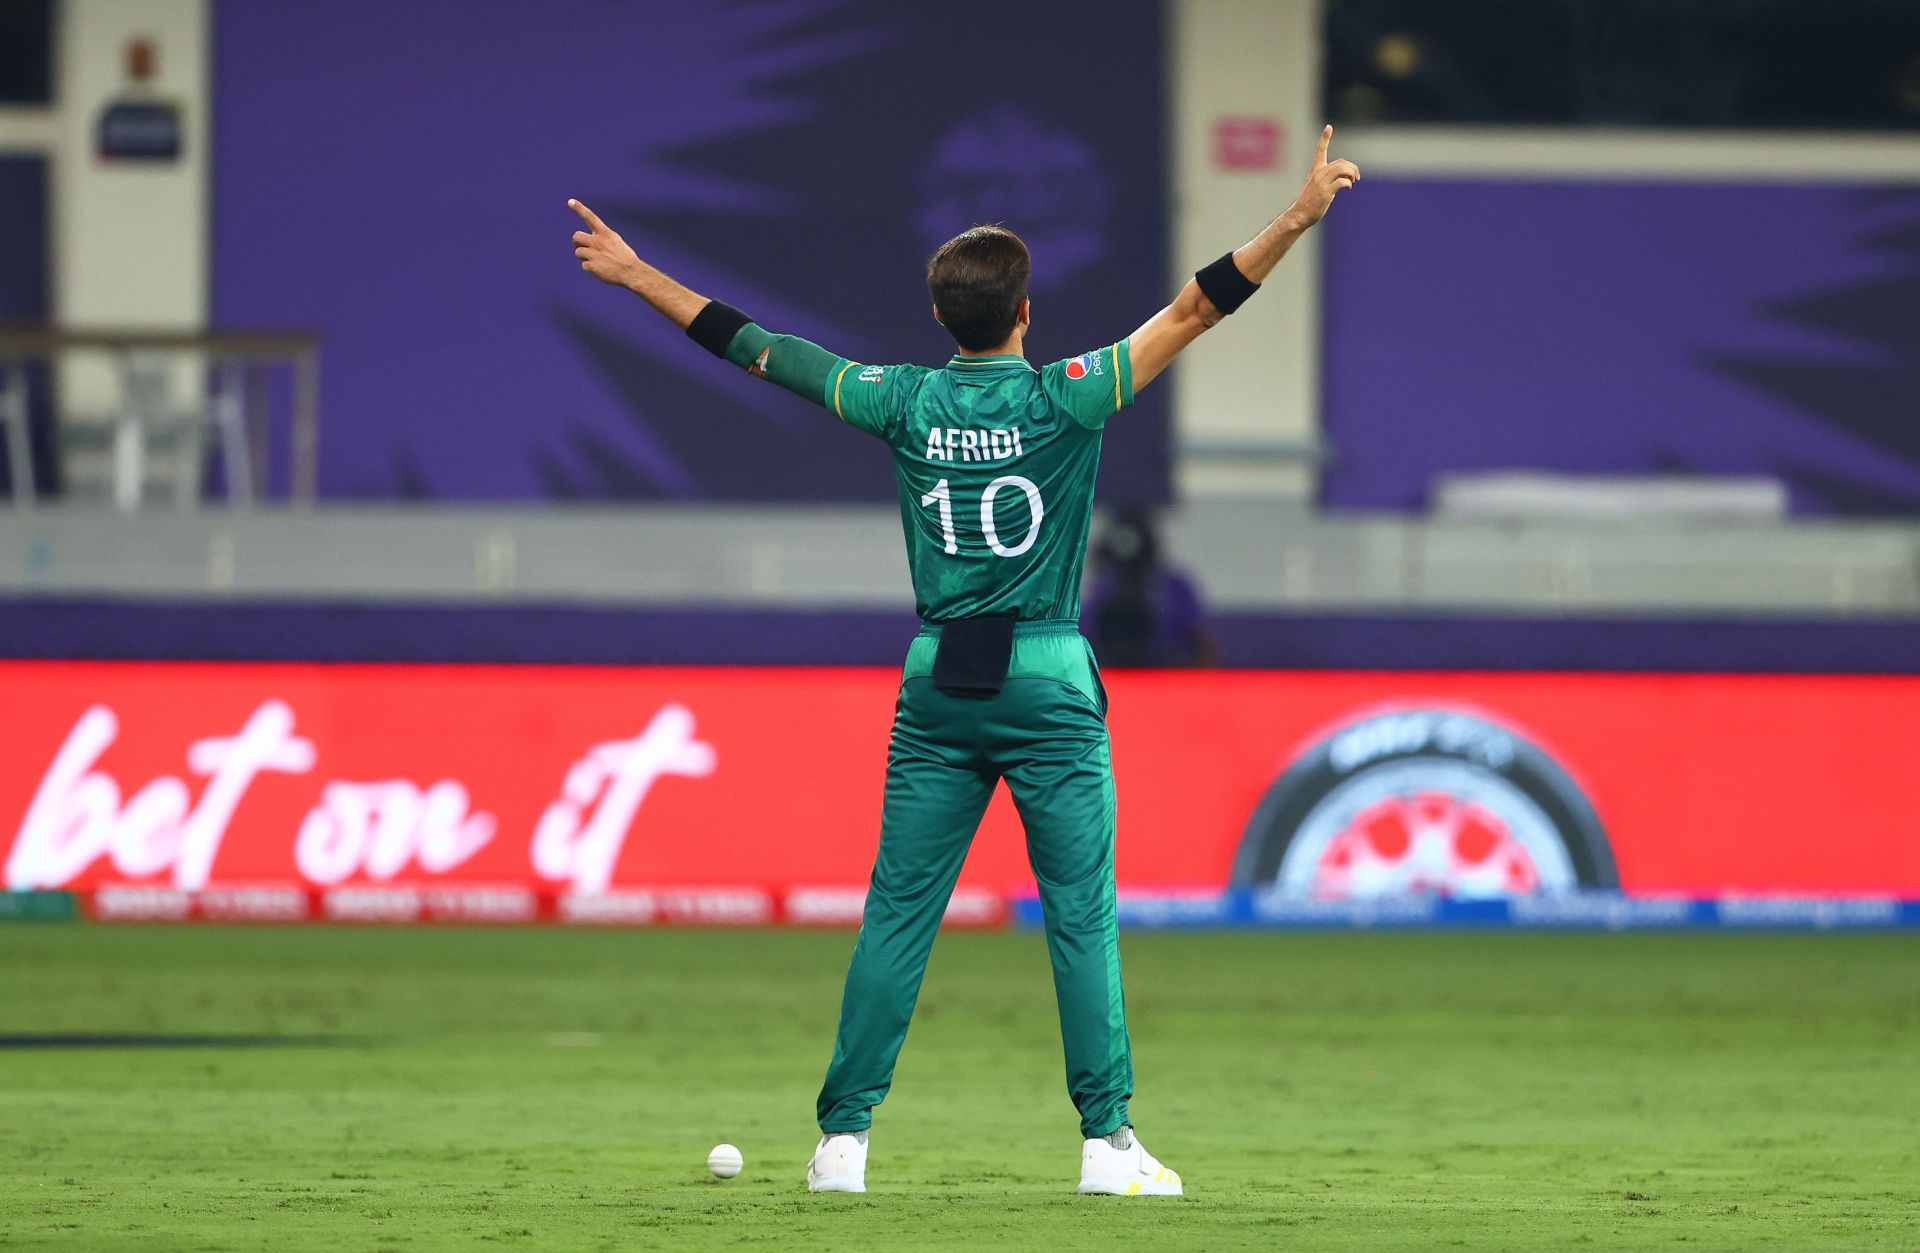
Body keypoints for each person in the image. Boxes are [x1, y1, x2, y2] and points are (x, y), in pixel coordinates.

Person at [568, 125, 1359, 1196]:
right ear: (1026, 313)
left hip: (940, 681)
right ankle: (1106, 1143)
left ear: (940, 316)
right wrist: (1296, 218)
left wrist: (635, 275)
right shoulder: (1071, 394)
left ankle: (841, 1143)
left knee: (899, 911)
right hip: (1047, 677)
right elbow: (1194, 306)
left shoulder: (900, 399)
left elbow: (755, 344)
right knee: (1080, 913)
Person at [1084, 509, 1217, 668]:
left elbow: (1203, 644)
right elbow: (1084, 641)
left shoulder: (1174, 586)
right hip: (1111, 675)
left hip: (1162, 675)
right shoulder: (1102, 588)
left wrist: (1191, 684)